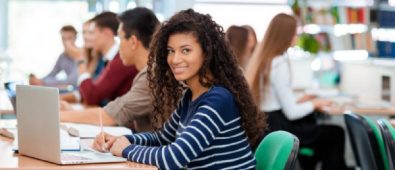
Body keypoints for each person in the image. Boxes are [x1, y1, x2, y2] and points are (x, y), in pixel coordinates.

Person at [92, 9, 265, 169]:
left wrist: (126, 149)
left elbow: (174, 158)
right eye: (170, 51)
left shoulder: (218, 99)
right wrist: (124, 140)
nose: (175, 59)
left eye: (186, 50)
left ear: (207, 53)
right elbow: (162, 139)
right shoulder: (190, 97)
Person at [245, 13, 348, 170]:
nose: (296, 37)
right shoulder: (279, 63)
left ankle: (307, 164)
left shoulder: (264, 60)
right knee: (335, 134)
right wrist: (315, 103)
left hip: (268, 124)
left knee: (323, 132)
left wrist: (304, 100)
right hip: (280, 126)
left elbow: (274, 101)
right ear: (285, 35)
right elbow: (292, 112)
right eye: (295, 33)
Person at [61, 7, 160, 132]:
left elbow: (108, 114)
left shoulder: (151, 76)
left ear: (133, 42)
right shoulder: (148, 71)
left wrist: (58, 115)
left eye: (120, 38)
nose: (118, 46)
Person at [61, 12, 138, 106]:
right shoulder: (106, 59)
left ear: (107, 33)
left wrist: (80, 60)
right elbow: (93, 90)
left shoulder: (121, 60)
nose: (87, 38)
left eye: (91, 33)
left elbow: (92, 96)